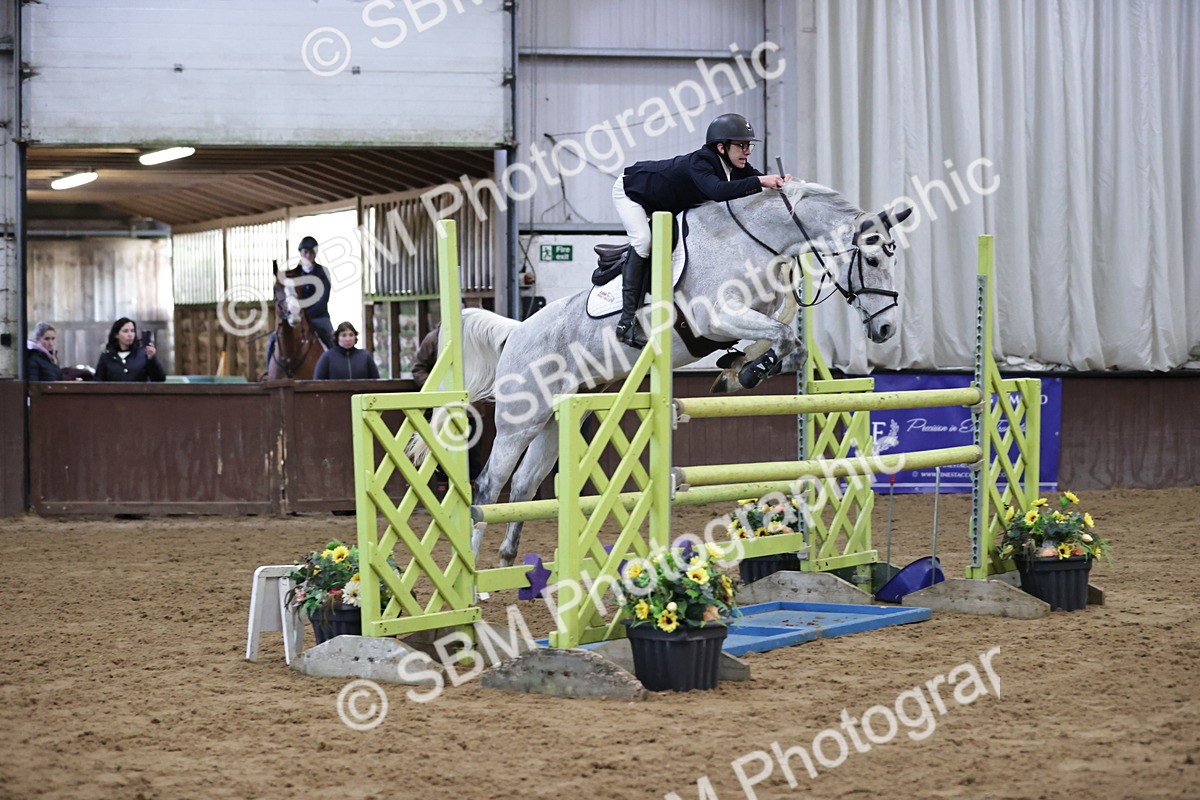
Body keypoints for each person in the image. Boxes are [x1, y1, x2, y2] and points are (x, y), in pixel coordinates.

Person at [612, 112, 791, 348]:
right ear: (721, 147)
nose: (747, 151)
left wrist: (784, 183)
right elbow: (717, 191)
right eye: (741, 145)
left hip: (667, 204)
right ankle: (626, 323)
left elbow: (763, 183)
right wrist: (761, 182)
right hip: (632, 192)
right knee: (644, 241)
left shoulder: (737, 166)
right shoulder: (701, 162)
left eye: (748, 146)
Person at [266, 236, 335, 368]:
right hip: (295, 317)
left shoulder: (322, 272)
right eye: (305, 252)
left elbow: (323, 299)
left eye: (311, 252)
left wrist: (305, 314)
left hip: (318, 317)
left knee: (331, 339)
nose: (308, 255)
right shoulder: (293, 274)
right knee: (273, 340)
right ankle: (268, 372)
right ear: (301, 253)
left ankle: (334, 372)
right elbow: (287, 296)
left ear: (315, 254)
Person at [94, 317, 167, 382]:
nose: (130, 335)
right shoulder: (106, 357)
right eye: (125, 331)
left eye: (132, 331)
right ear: (116, 335)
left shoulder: (143, 354)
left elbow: (159, 379)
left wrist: (152, 359)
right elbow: (97, 382)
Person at [313, 321, 380, 380]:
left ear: (355, 337)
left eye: (351, 335)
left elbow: (376, 381)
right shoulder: (327, 357)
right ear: (337, 337)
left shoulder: (365, 356)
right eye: (344, 335)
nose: (348, 339)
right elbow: (318, 382)